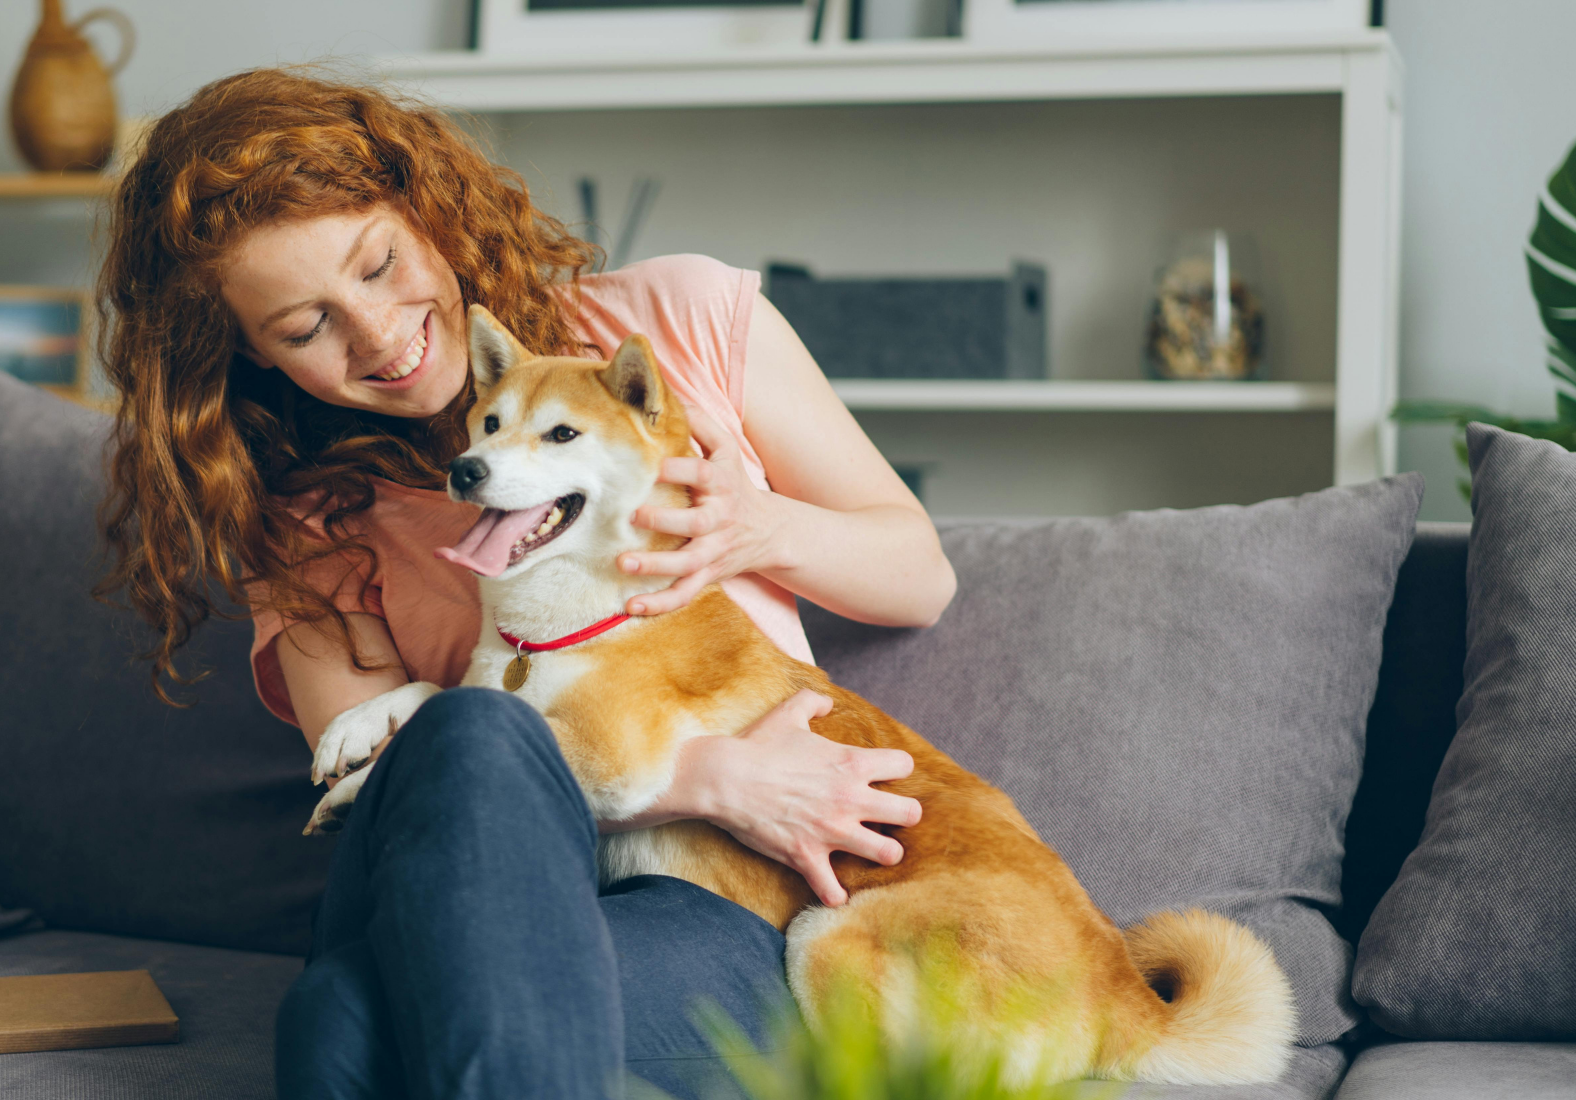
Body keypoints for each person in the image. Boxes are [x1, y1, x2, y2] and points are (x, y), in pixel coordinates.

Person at [96, 67, 957, 1100]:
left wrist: (758, 526)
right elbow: (392, 796)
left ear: (427, 209)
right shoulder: (308, 527)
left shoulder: (674, 322)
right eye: (302, 328)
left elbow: (918, 575)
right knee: (467, 731)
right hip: (454, 889)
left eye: (376, 265)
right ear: (249, 359)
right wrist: (702, 782)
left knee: (343, 1021)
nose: (374, 333)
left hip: (708, 903)